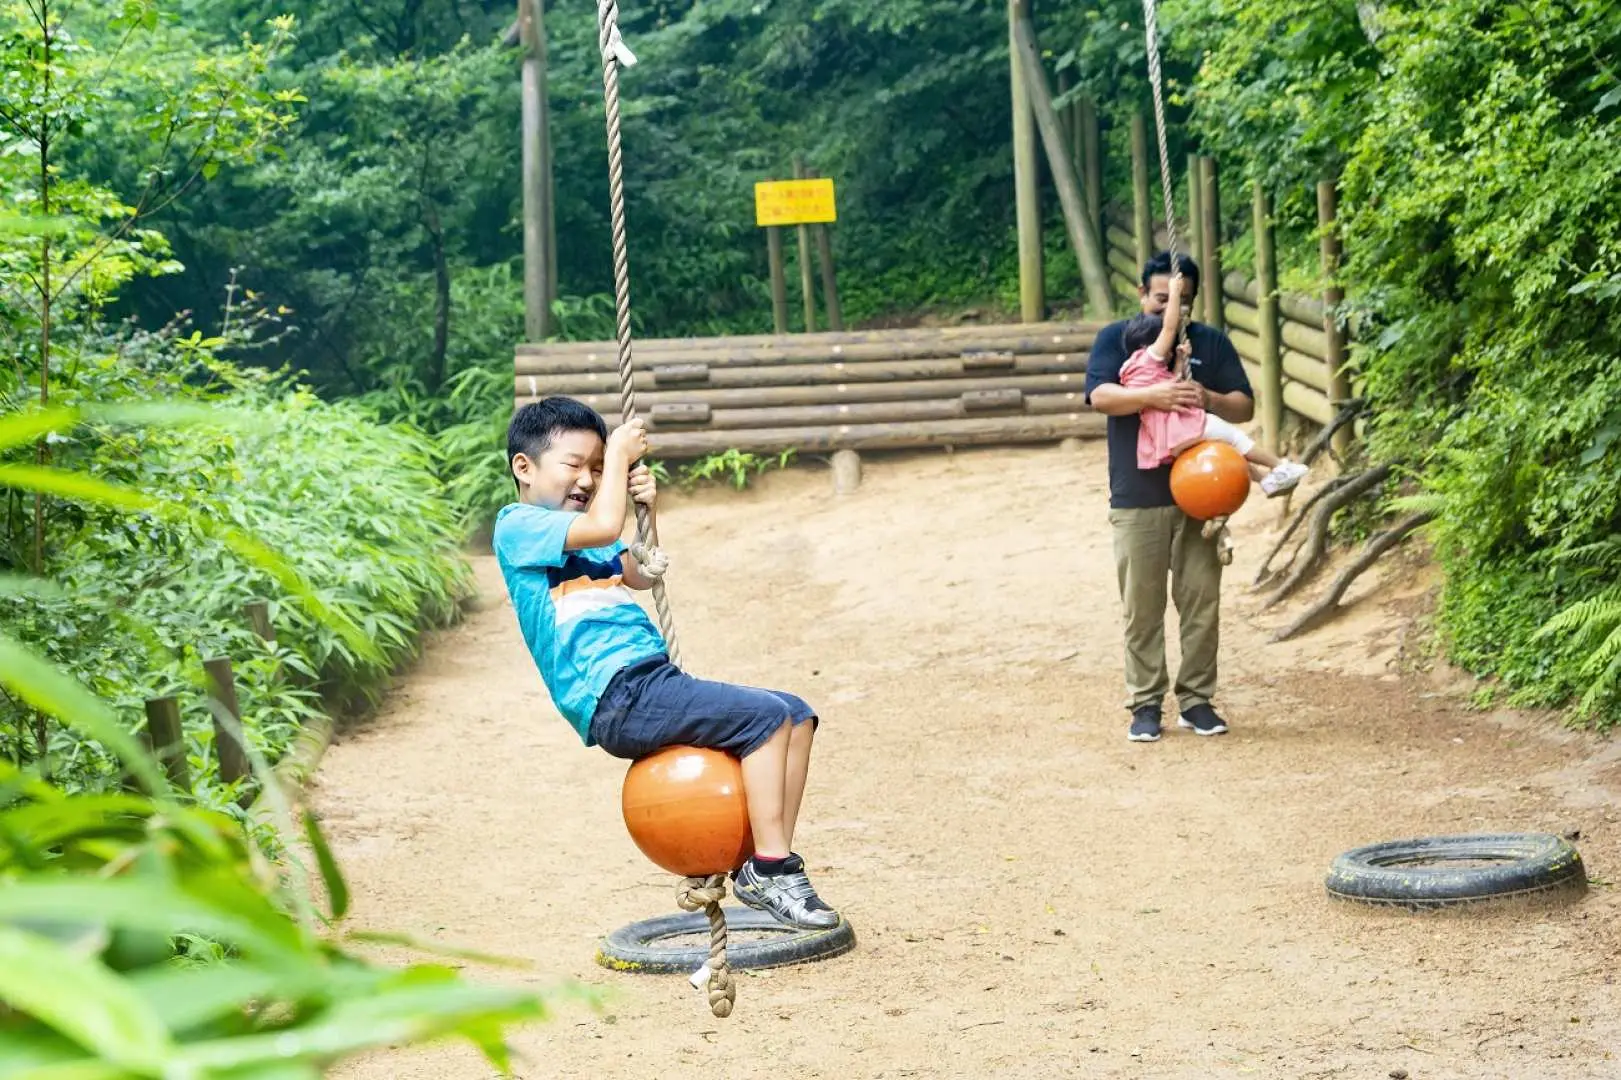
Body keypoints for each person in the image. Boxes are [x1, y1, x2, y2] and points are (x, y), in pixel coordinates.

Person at [492, 396, 838, 929]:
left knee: (795, 714)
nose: (587, 478)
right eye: (575, 464)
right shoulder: (519, 525)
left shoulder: (579, 537)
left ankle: (767, 861)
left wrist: (649, 514)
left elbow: (636, 570)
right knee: (764, 721)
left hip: (650, 680)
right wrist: (621, 464)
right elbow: (606, 527)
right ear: (524, 466)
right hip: (615, 696)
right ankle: (772, 868)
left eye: (597, 467)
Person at [1084, 252, 1255, 744]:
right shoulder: (1117, 339)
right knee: (1142, 605)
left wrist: (1210, 399)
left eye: (1182, 301)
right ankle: (1145, 702)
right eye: (1162, 300)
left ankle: (1197, 699)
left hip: (1202, 493)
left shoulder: (1210, 343)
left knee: (1201, 600)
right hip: (1137, 496)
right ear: (1143, 296)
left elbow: (1244, 406)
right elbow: (1100, 397)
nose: (1172, 310)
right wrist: (1154, 397)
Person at [1121, 273, 1308, 496]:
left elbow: (1172, 381)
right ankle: (1279, 465)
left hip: (1167, 440)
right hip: (1181, 430)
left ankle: (1264, 480)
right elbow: (1170, 327)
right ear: (1150, 342)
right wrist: (1175, 293)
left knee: (1226, 447)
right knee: (1235, 437)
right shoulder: (1149, 355)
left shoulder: (1131, 371)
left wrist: (1181, 359)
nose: (1168, 347)